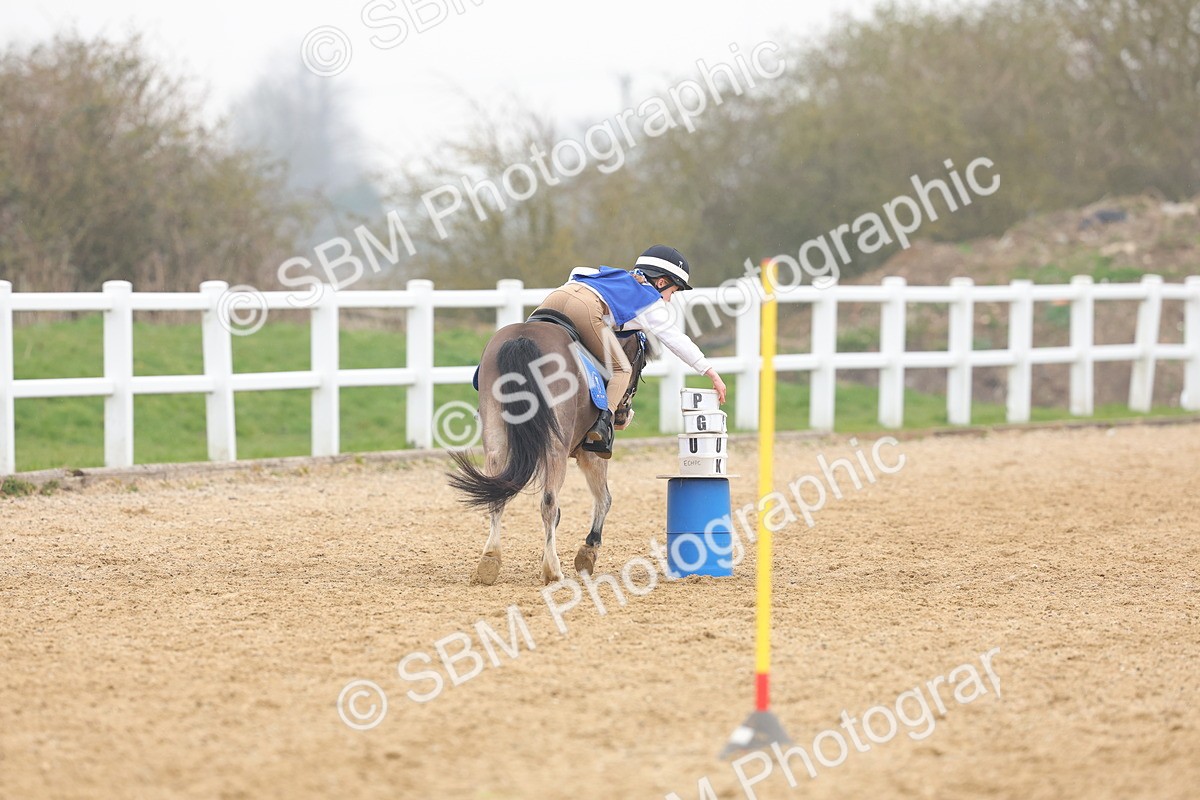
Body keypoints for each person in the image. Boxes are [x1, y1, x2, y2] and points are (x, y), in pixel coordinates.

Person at [533, 244, 727, 458]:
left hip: (557, 296)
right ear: (661, 282)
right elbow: (676, 340)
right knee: (622, 369)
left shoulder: (618, 276)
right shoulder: (650, 301)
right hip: (585, 307)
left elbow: (578, 271)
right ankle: (601, 426)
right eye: (672, 292)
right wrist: (709, 371)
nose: (670, 299)